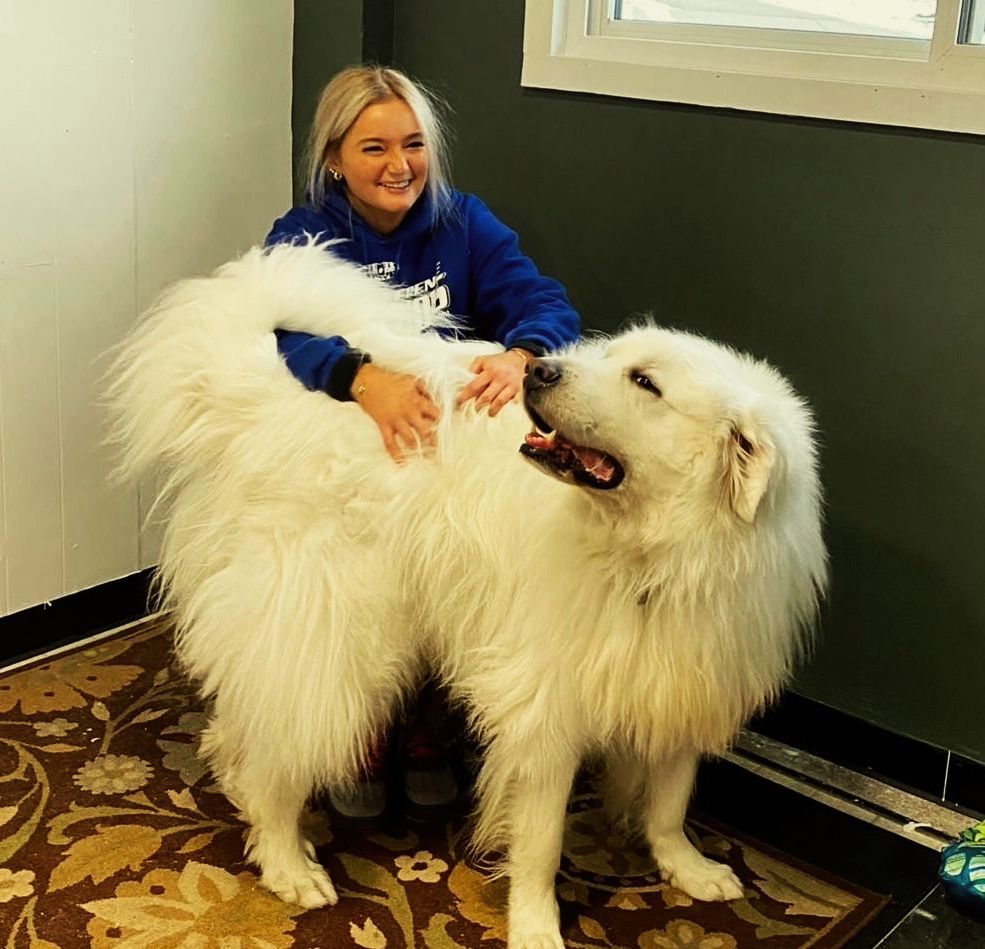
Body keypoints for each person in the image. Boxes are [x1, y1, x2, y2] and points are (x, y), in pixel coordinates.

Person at [264, 64, 581, 820]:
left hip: (446, 450)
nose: (398, 166)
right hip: (346, 453)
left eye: (413, 144)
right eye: (373, 148)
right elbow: (266, 331)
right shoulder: (303, 232)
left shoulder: (461, 220)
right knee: (364, 596)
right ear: (334, 157)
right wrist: (353, 376)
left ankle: (431, 723)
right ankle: (364, 728)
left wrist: (521, 353)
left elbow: (540, 299)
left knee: (461, 574)